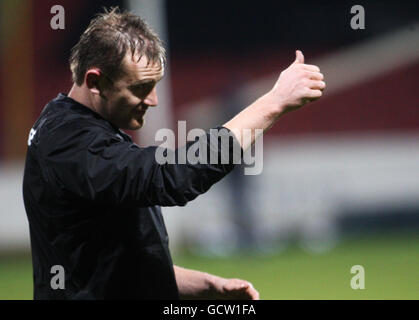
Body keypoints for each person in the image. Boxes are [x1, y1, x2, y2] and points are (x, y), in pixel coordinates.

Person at [23, 8, 325, 300]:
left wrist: (206, 285)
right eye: (141, 87)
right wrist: (273, 103)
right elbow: (171, 177)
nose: (152, 100)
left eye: (155, 86)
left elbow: (112, 260)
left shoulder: (85, 129)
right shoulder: (68, 140)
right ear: (95, 82)